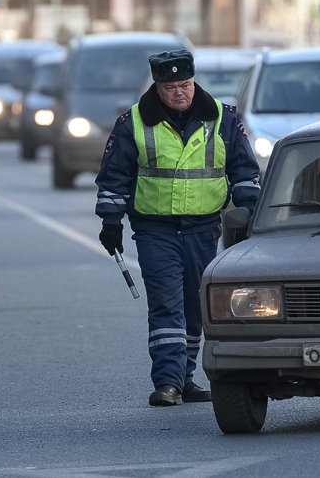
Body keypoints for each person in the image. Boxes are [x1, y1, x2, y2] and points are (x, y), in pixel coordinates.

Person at [94, 49, 261, 407]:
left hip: (204, 227)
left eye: (185, 85)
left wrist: (251, 213)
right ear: (157, 86)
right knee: (167, 303)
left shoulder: (222, 118)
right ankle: (167, 382)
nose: (179, 93)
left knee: (195, 304)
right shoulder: (134, 123)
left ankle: (185, 378)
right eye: (170, 87)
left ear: (194, 81)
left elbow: (244, 171)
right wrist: (111, 221)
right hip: (156, 229)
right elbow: (114, 177)